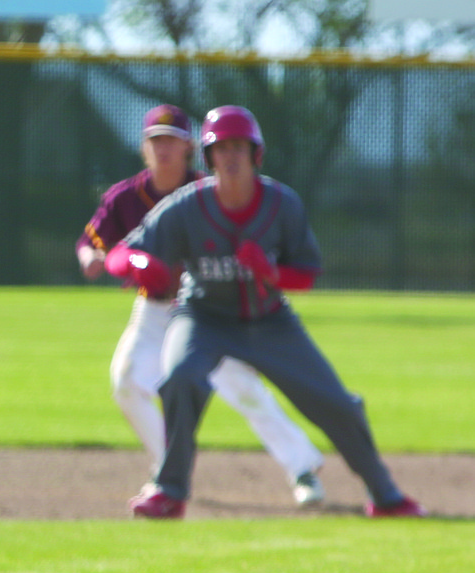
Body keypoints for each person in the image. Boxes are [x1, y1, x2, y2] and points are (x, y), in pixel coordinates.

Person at [105, 105, 425, 519]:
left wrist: (271, 272)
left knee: (338, 404)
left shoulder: (281, 204)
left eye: (239, 147)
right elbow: (122, 252)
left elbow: (307, 274)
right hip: (203, 317)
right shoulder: (188, 206)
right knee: (181, 379)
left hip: (270, 320)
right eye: (221, 149)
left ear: (256, 153)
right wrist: (136, 265)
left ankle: (385, 494)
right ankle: (170, 491)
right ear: (209, 157)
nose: (231, 157)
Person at [77, 104, 326, 507]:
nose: (163, 149)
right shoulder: (125, 196)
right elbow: (101, 244)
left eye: (171, 141)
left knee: (243, 388)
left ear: (189, 147)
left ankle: (303, 468)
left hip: (208, 309)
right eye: (156, 141)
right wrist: (99, 258)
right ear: (145, 147)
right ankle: (168, 470)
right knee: (125, 381)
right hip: (155, 311)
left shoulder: (209, 191)